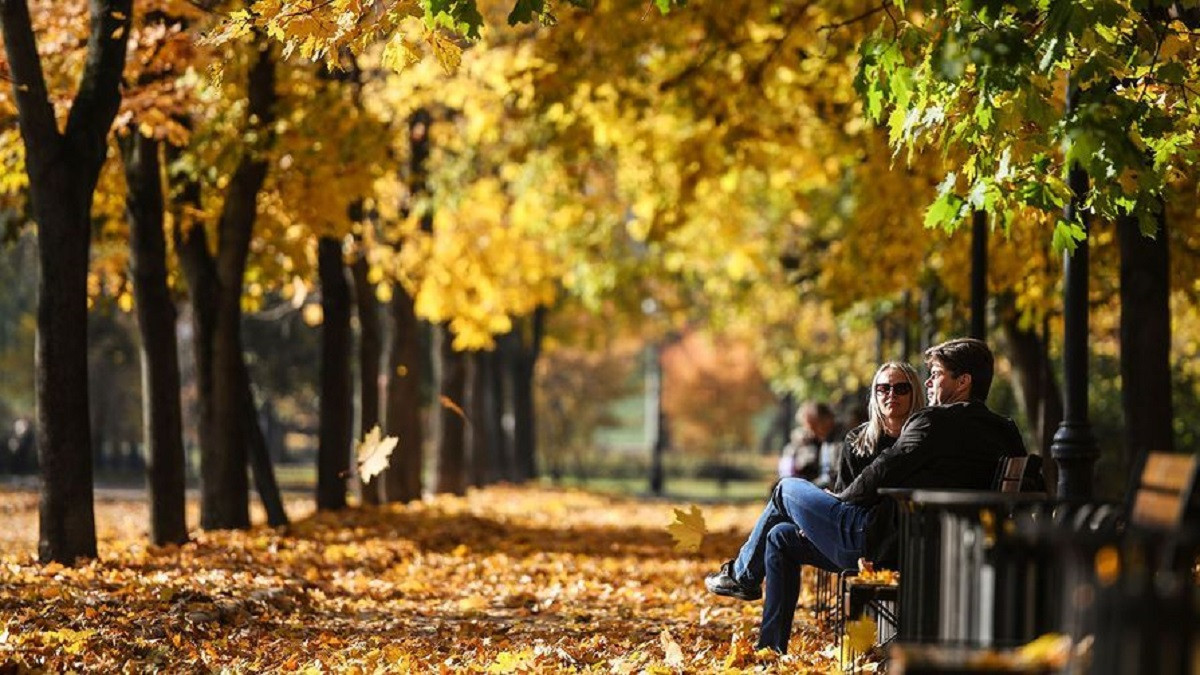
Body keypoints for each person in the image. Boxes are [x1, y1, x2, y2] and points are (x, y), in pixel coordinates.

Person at [705, 338, 1027, 654]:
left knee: (785, 489)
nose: (929, 381)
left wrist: (835, 503)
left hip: (882, 544)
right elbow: (1029, 487)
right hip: (945, 547)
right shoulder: (1005, 429)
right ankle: (770, 647)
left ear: (963, 381)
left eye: (937, 374)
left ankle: (743, 577)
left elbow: (883, 470)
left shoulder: (932, 422)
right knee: (780, 537)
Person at [777, 401, 839, 483]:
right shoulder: (821, 440)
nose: (812, 433)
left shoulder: (840, 442)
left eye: (814, 427)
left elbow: (835, 478)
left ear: (826, 420)